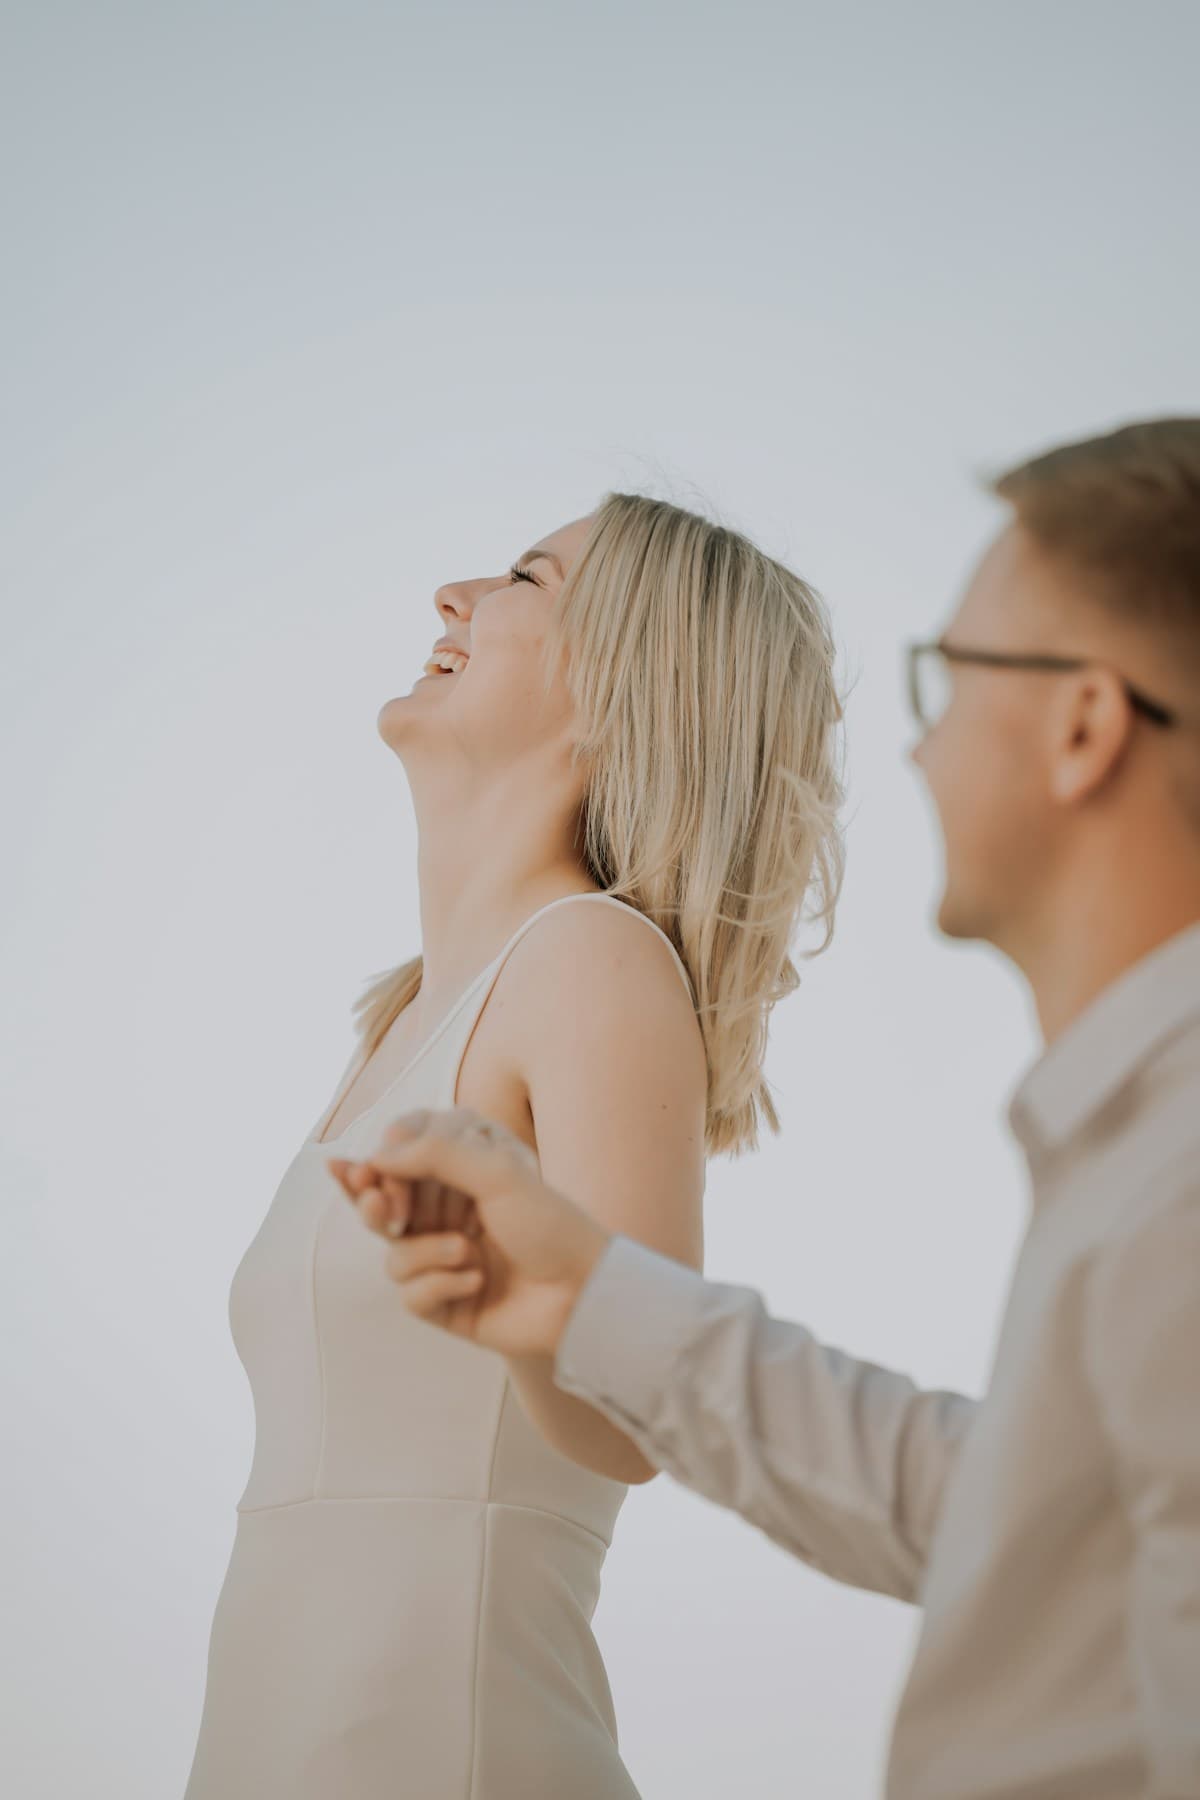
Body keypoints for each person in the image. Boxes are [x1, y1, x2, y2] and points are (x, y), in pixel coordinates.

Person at [337, 418, 1200, 1799]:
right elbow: (1006, 1510)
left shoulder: (1177, 1174)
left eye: (952, 674)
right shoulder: (1131, 1148)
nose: (914, 750)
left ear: (1085, 725)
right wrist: (589, 1304)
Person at [184, 494, 845, 1799]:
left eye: (524, 580)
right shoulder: (404, 1018)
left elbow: (641, 1410)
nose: (455, 594)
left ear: (625, 689)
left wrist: (530, 1317)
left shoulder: (591, 960)